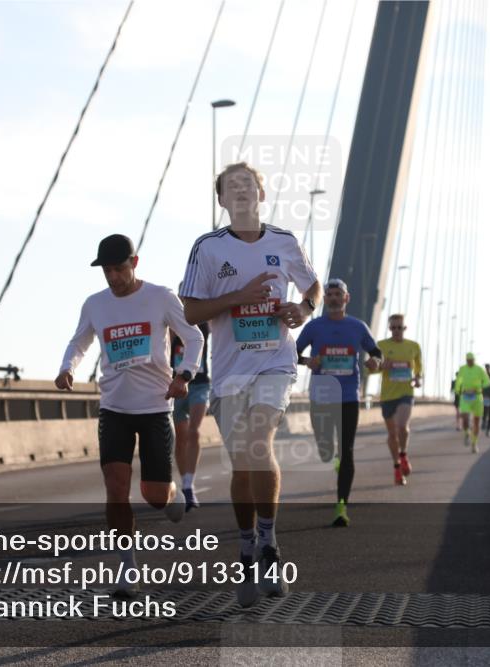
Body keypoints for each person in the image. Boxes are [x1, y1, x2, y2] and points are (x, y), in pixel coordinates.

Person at [180, 162, 320, 607]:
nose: (240, 192)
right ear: (221, 200)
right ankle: (246, 546)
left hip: (274, 363)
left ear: (261, 194)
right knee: (242, 465)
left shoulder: (285, 241)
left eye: (248, 185)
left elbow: (312, 287)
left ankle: (269, 542)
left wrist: (304, 310)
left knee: (261, 442)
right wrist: (238, 298)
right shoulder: (207, 248)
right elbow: (190, 313)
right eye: (230, 187)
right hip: (227, 372)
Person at [56, 233, 203, 598]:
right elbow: (80, 342)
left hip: (154, 407)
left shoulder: (160, 297)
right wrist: (67, 367)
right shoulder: (95, 304)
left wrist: (184, 375)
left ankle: (168, 497)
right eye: (107, 271)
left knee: (153, 495)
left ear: (134, 264)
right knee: (116, 488)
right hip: (114, 407)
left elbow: (195, 336)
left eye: (119, 269)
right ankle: (126, 568)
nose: (113, 277)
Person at [296, 278, 382, 527]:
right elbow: (292, 354)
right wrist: (306, 362)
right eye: (329, 294)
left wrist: (376, 361)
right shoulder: (314, 328)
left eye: (338, 294)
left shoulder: (358, 327)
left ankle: (341, 506)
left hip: (348, 397)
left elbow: (376, 352)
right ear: (325, 299)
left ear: (346, 298)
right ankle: (329, 454)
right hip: (321, 397)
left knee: (347, 451)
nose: (333, 298)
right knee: (325, 450)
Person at [377, 314, 423, 486]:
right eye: (393, 327)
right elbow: (371, 368)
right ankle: (397, 467)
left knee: (402, 426)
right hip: (388, 395)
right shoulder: (381, 346)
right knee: (392, 435)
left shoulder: (413, 346)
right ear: (390, 329)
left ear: (405, 328)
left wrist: (418, 378)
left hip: (406, 393)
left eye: (400, 327)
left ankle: (403, 454)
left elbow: (419, 367)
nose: (396, 331)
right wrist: (382, 366)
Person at [170, 317, 210, 510]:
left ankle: (188, 485)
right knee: (181, 437)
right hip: (176, 386)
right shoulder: (169, 323)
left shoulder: (202, 324)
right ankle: (184, 481)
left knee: (194, 431)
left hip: (200, 385)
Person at [454, 352, 490, 453]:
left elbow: (487, 382)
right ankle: (467, 432)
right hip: (465, 397)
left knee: (476, 422)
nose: (470, 362)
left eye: (472, 360)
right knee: (465, 418)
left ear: (474, 360)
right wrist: (457, 389)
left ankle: (474, 444)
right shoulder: (462, 369)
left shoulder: (479, 369)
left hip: (477, 397)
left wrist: (479, 389)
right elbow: (459, 381)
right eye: (468, 360)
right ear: (466, 360)